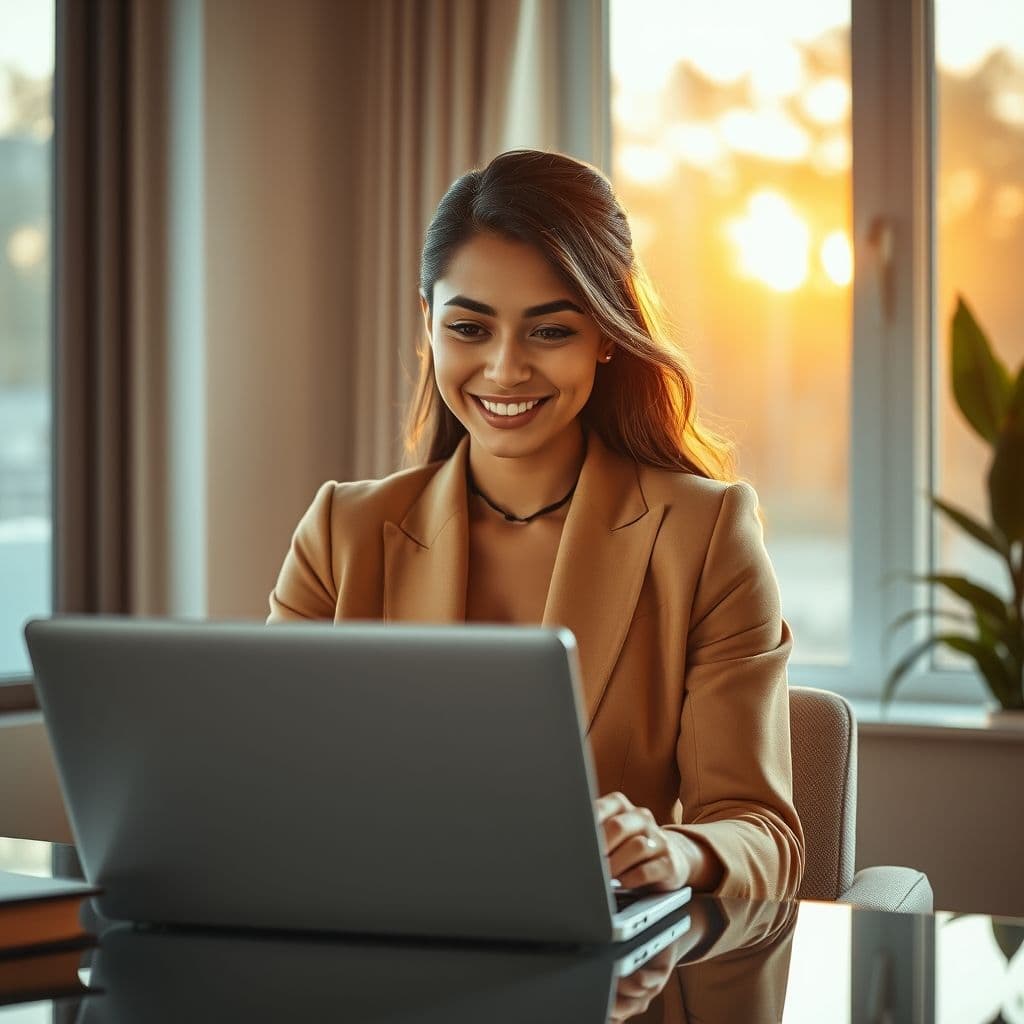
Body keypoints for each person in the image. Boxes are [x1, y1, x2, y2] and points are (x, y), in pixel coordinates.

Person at [267, 149, 804, 901]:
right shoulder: (342, 533)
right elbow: (267, 786)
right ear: (429, 324)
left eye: (549, 332)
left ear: (607, 334)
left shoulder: (704, 533)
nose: (505, 369)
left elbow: (760, 829)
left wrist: (672, 853)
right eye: (469, 328)